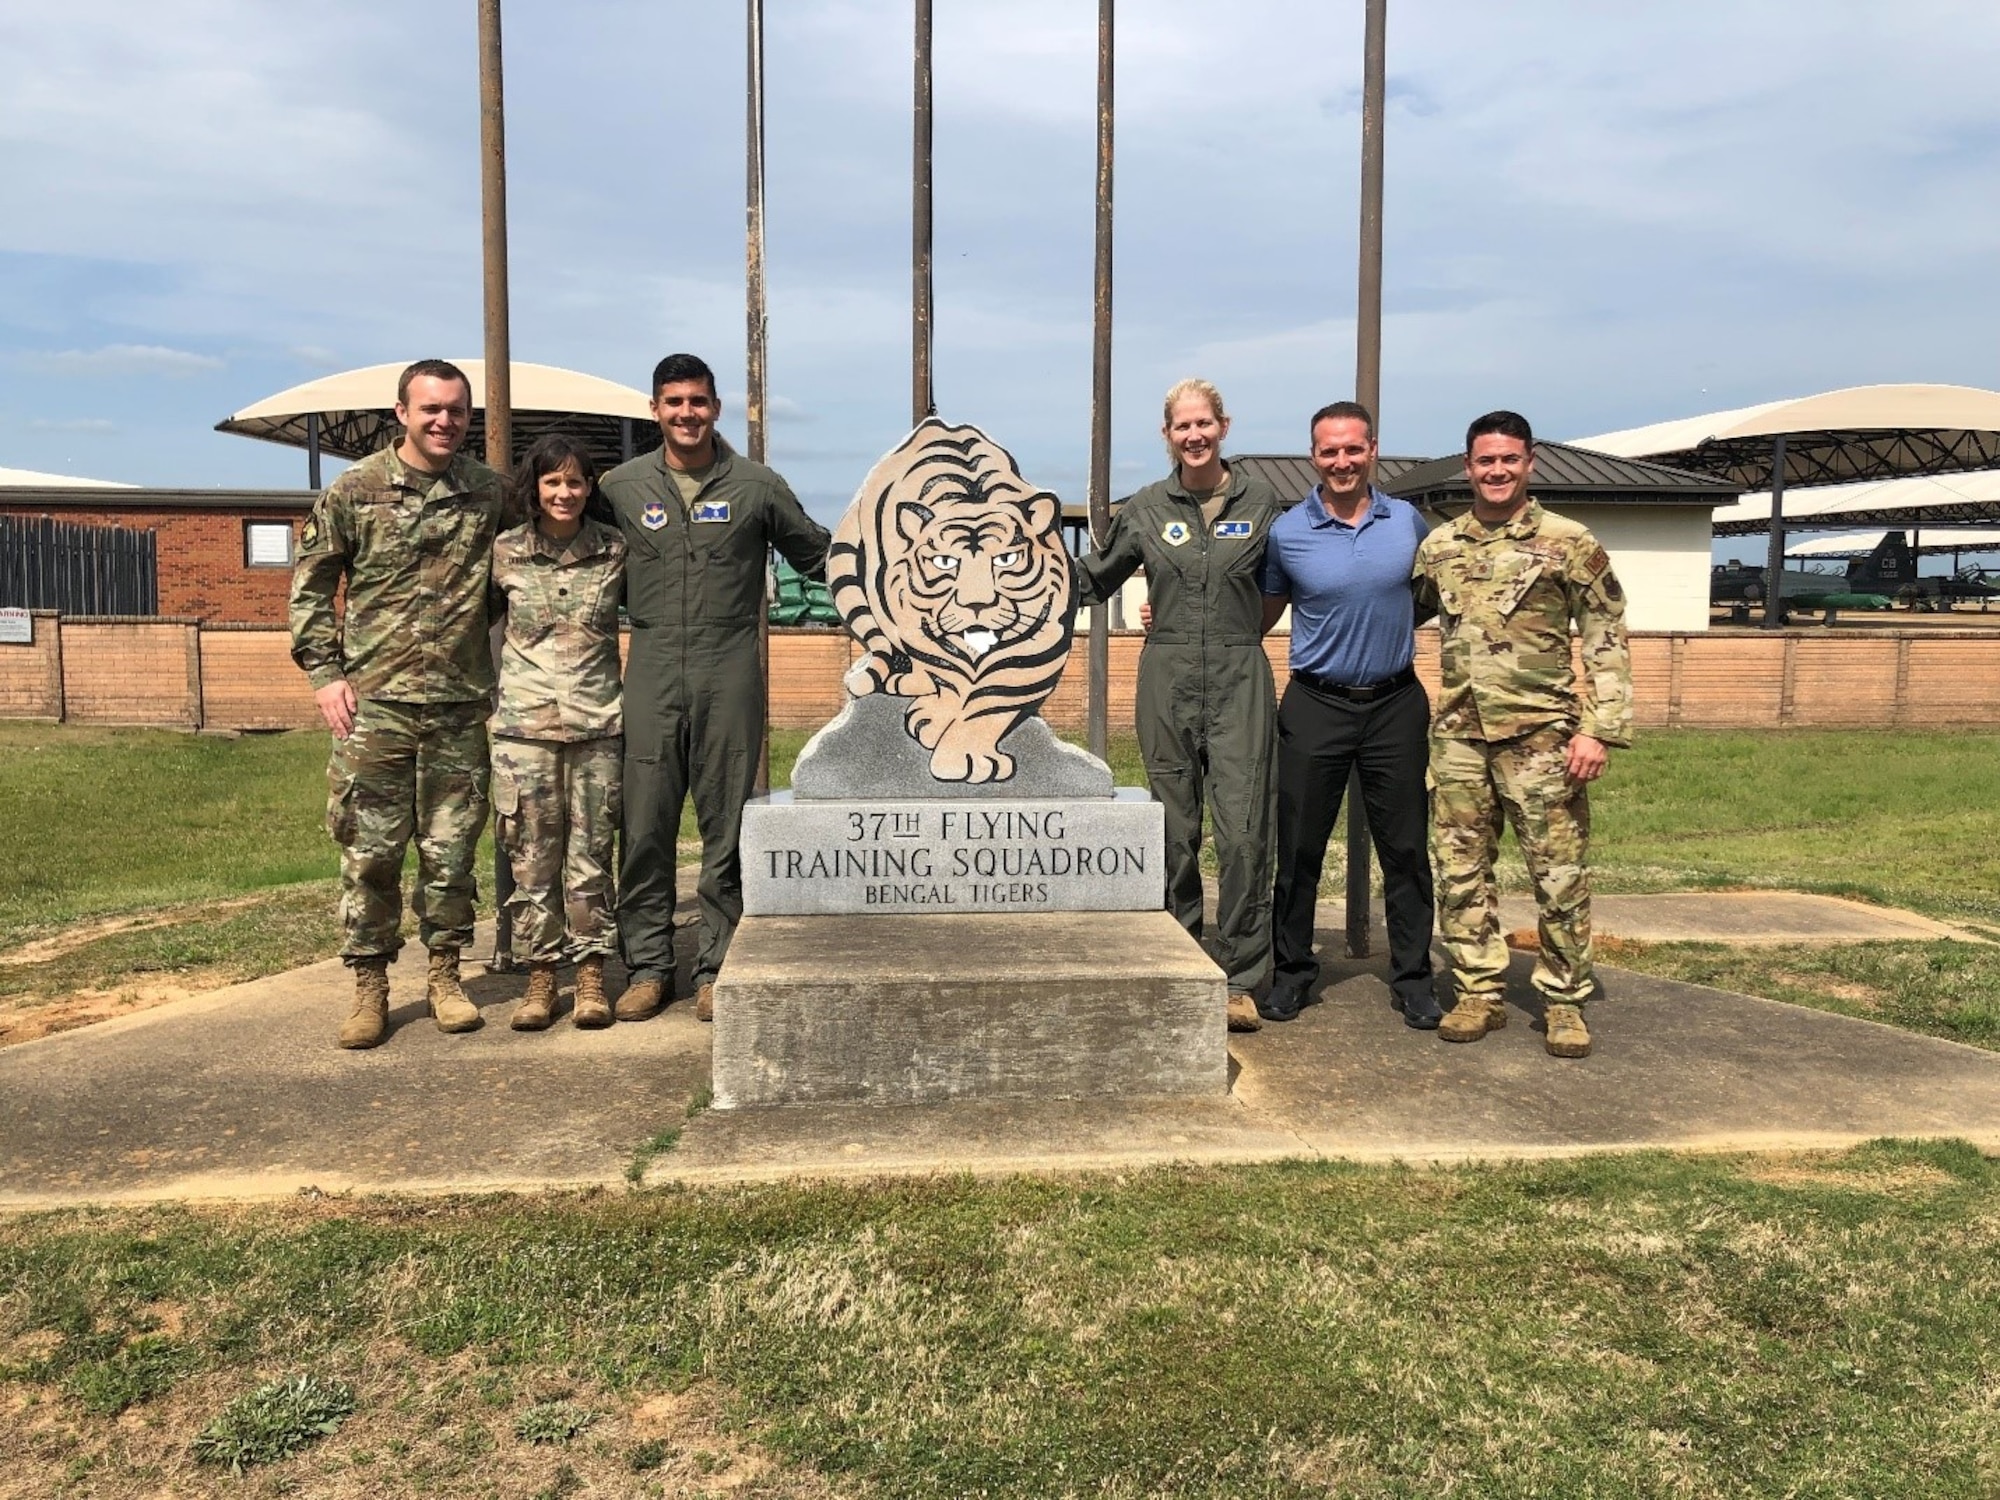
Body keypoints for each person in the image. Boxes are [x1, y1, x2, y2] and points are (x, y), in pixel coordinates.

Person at [291, 358, 518, 1049]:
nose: (445, 421)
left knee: (450, 855)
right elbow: (310, 586)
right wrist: (324, 673)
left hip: (456, 705)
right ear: (402, 413)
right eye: (432, 409)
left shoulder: (489, 493)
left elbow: (543, 549)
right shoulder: (355, 491)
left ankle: (446, 977)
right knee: (372, 853)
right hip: (376, 705)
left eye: (457, 410)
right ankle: (370, 986)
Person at [599, 354, 830, 1023]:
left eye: (698, 402)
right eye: (673, 402)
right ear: (654, 410)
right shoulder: (620, 487)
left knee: (727, 822)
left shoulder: (758, 486)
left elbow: (817, 553)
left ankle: (717, 965)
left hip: (729, 666)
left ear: (716, 408)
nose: (686, 414)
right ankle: (646, 966)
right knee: (643, 822)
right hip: (648, 665)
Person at [1411, 410, 1633, 1058]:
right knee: (1458, 871)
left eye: (1510, 459)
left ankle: (1564, 1000)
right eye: (1486, 460)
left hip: (1542, 737)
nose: (1498, 471)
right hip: (1458, 736)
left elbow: (1607, 638)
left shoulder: (1570, 543)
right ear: (1469, 465)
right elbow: (1394, 605)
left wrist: (1599, 730)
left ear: (1529, 463)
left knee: (1558, 874)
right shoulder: (1440, 546)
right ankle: (1479, 990)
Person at [1075, 379, 1286, 1032]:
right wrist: (1018, 560)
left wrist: (1243, 627)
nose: (1193, 435)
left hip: (1239, 673)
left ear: (1223, 426)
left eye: (1204, 423)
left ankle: (1243, 977)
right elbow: (1093, 577)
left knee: (1247, 832)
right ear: (1168, 436)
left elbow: (1281, 583)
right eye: (1181, 426)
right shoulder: (1145, 507)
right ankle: (1182, 960)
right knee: (1174, 832)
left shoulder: (1263, 503)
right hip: (1166, 675)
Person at [1257, 401, 1439, 1027]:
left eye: (1352, 449)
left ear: (1372, 450)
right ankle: (1292, 973)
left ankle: (1414, 978)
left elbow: (1427, 600)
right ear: (1314, 455)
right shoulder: (1287, 532)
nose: (1342, 461)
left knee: (1407, 848)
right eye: (1329, 450)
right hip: (1315, 704)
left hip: (1395, 704)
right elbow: (1260, 612)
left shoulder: (1408, 521)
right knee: (1300, 846)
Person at [489, 433, 628, 1032]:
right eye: (552, 482)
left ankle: (591, 973)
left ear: (589, 487)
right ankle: (542, 976)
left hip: (598, 724)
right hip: (525, 730)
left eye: (574, 481)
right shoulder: (504, 553)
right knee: (531, 858)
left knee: (591, 856)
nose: (564, 492)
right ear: (535, 488)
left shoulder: (615, 551)